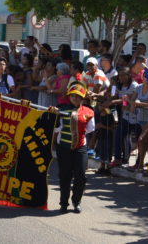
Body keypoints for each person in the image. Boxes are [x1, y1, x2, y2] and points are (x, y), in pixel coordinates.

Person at [54, 82, 95, 214]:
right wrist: (54, 115)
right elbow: (56, 128)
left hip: (80, 148)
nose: (75, 99)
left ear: (82, 98)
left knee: (81, 176)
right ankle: (64, 203)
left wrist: (77, 134)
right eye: (73, 96)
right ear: (69, 96)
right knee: (65, 176)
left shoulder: (89, 111)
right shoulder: (61, 109)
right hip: (63, 147)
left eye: (78, 97)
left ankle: (77, 201)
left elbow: (90, 128)